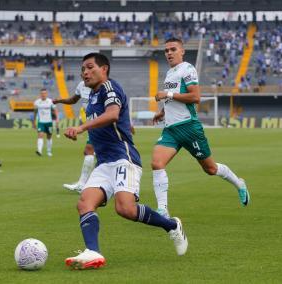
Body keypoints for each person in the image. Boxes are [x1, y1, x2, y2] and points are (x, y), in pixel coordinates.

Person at [63, 53, 187, 270]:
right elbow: (115, 120)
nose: (85, 72)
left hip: (123, 158)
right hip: (104, 163)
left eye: (90, 67)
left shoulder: (109, 88)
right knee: (84, 203)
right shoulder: (92, 97)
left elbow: (112, 114)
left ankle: (172, 225)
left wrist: (81, 128)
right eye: (82, 69)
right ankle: (93, 252)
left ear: (104, 69)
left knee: (125, 209)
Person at [152, 38, 250, 217]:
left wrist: (168, 94)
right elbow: (173, 100)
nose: (169, 53)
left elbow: (195, 97)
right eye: (166, 51)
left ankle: (239, 183)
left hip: (189, 128)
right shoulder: (169, 73)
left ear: (182, 51)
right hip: (171, 129)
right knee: (157, 163)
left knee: (210, 169)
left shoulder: (188, 69)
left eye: (173, 49)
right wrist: (162, 112)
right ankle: (162, 210)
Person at [53, 80, 95, 192]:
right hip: (92, 122)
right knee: (91, 152)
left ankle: (83, 184)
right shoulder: (81, 85)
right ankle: (85, 184)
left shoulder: (102, 85)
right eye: (83, 70)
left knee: (91, 151)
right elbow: (73, 99)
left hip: (101, 122)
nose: (85, 73)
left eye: (88, 69)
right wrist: (60, 100)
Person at [33, 88, 56, 157]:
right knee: (40, 135)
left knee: (49, 137)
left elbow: (54, 110)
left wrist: (56, 119)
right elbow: (35, 112)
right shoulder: (37, 102)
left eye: (44, 93)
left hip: (49, 122)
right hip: (41, 122)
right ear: (40, 94)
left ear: (46, 94)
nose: (43, 95)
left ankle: (49, 151)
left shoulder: (50, 101)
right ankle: (39, 151)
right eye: (42, 93)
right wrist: (34, 121)